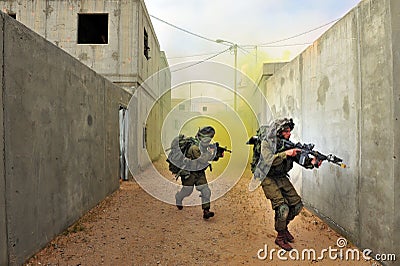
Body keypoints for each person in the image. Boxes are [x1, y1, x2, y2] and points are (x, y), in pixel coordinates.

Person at [254, 118, 322, 251]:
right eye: (286, 131)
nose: (289, 133)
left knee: (297, 205)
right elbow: (267, 161)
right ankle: (280, 236)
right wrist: (285, 154)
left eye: (289, 131)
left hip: (280, 176)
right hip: (266, 176)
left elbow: (299, 159)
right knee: (282, 207)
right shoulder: (266, 143)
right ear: (278, 132)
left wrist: (312, 162)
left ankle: (283, 227)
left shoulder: (288, 144)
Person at [175, 126, 216, 219]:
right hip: (190, 173)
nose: (208, 142)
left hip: (199, 173)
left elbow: (209, 159)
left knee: (206, 191)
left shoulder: (204, 147)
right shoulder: (194, 147)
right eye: (207, 140)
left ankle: (206, 211)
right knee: (187, 191)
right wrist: (211, 153)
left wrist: (216, 154)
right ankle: (179, 197)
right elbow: (202, 159)